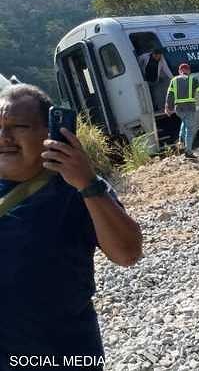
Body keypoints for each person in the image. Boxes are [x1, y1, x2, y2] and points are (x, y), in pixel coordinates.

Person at [0, 84, 142, 370]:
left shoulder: (75, 187)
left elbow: (128, 254)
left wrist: (87, 184)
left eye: (18, 126)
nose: (4, 137)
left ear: (51, 133)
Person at [165, 63, 199, 158]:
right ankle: (188, 151)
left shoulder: (174, 80)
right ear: (189, 71)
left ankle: (180, 141)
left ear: (179, 71)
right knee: (190, 129)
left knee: (184, 123)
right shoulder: (192, 79)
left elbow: (170, 94)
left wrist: (168, 107)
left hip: (179, 109)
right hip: (189, 107)